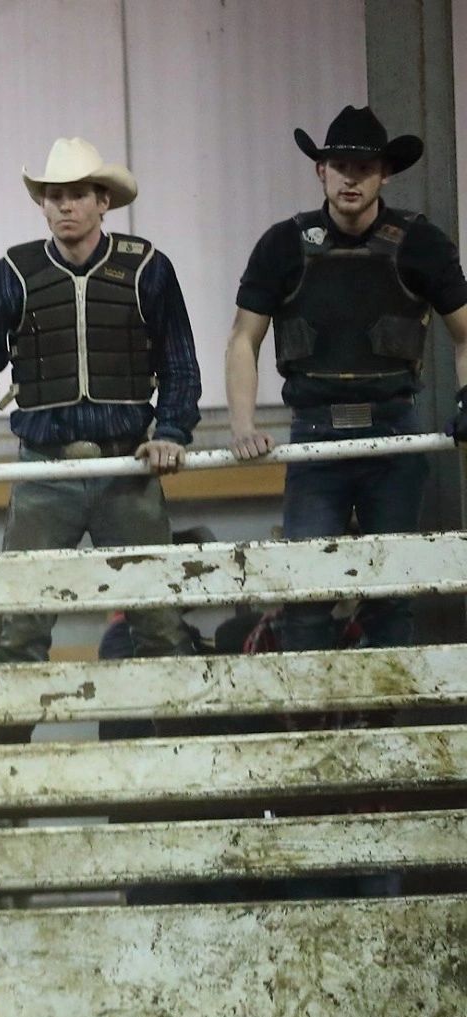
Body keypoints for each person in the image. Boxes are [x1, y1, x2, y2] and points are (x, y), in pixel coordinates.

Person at [0, 138, 203, 710]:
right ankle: (7, 780)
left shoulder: (148, 269)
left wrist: (172, 433)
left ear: (102, 200)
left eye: (77, 194)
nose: (65, 206)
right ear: (43, 204)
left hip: (126, 466)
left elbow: (179, 362)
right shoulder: (13, 274)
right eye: (54, 196)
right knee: (19, 632)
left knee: (160, 627)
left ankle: (183, 779)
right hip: (46, 471)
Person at [226, 105, 467, 653]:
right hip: (315, 439)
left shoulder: (421, 244)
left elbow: (465, 333)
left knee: (392, 592)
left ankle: (384, 734)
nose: (351, 177)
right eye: (339, 165)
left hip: (393, 435)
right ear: (321, 171)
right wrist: (242, 424)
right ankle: (313, 730)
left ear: (385, 173)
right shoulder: (282, 245)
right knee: (307, 590)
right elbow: (243, 338)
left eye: (364, 167)